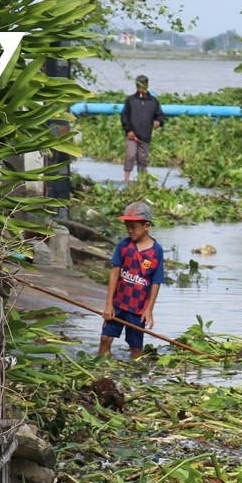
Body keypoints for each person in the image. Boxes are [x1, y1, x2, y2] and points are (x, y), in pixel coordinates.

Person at [100, 201, 165, 359]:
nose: (130, 231)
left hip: (138, 309)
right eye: (127, 226)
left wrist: (149, 309)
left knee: (136, 348)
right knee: (105, 339)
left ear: (146, 226)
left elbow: (156, 281)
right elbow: (115, 274)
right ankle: (101, 371)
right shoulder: (124, 246)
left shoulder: (156, 251)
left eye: (134, 227)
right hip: (118, 304)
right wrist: (109, 304)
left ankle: (135, 377)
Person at [120, 75, 166, 184]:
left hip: (145, 136)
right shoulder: (130, 100)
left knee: (142, 160)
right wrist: (128, 130)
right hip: (132, 135)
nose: (140, 89)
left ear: (146, 86)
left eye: (142, 87)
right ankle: (126, 180)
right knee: (130, 156)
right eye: (138, 87)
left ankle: (142, 182)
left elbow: (160, 115)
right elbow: (124, 116)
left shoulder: (153, 101)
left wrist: (159, 122)